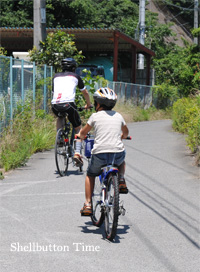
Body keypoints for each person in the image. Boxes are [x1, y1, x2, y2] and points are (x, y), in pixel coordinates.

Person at [76, 87, 129, 216]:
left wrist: (80, 136)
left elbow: (83, 133)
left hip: (99, 154)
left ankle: (88, 204)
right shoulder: (119, 116)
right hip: (116, 154)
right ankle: (121, 179)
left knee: (90, 174)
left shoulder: (95, 116)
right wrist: (122, 136)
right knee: (122, 159)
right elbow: (126, 132)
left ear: (98, 104)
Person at [51, 57, 92, 166]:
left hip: (55, 104)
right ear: (73, 68)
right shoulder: (75, 76)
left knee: (60, 117)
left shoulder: (55, 77)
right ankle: (77, 153)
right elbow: (85, 93)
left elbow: (54, 92)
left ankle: (59, 137)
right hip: (69, 104)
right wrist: (88, 104)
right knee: (78, 128)